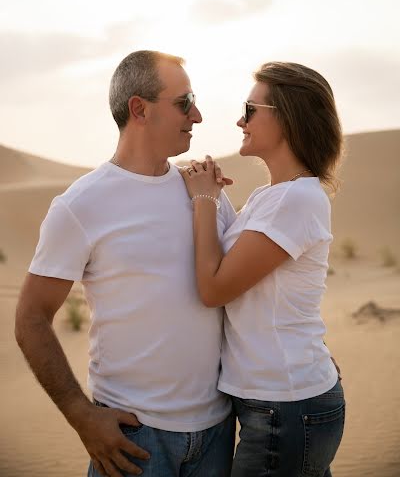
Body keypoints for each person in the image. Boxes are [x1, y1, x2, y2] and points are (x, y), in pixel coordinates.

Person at [15, 50, 237, 477]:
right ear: (139, 108)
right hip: (135, 442)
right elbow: (31, 317)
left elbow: (241, 286)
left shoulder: (206, 191)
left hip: (218, 434)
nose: (199, 115)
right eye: (184, 102)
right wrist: (81, 416)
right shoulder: (80, 206)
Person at [181, 61, 345, 477]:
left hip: (285, 406)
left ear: (288, 116)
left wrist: (203, 200)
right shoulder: (269, 197)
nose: (240, 119)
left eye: (250, 109)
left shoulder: (296, 200)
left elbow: (215, 288)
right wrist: (213, 196)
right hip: (278, 402)